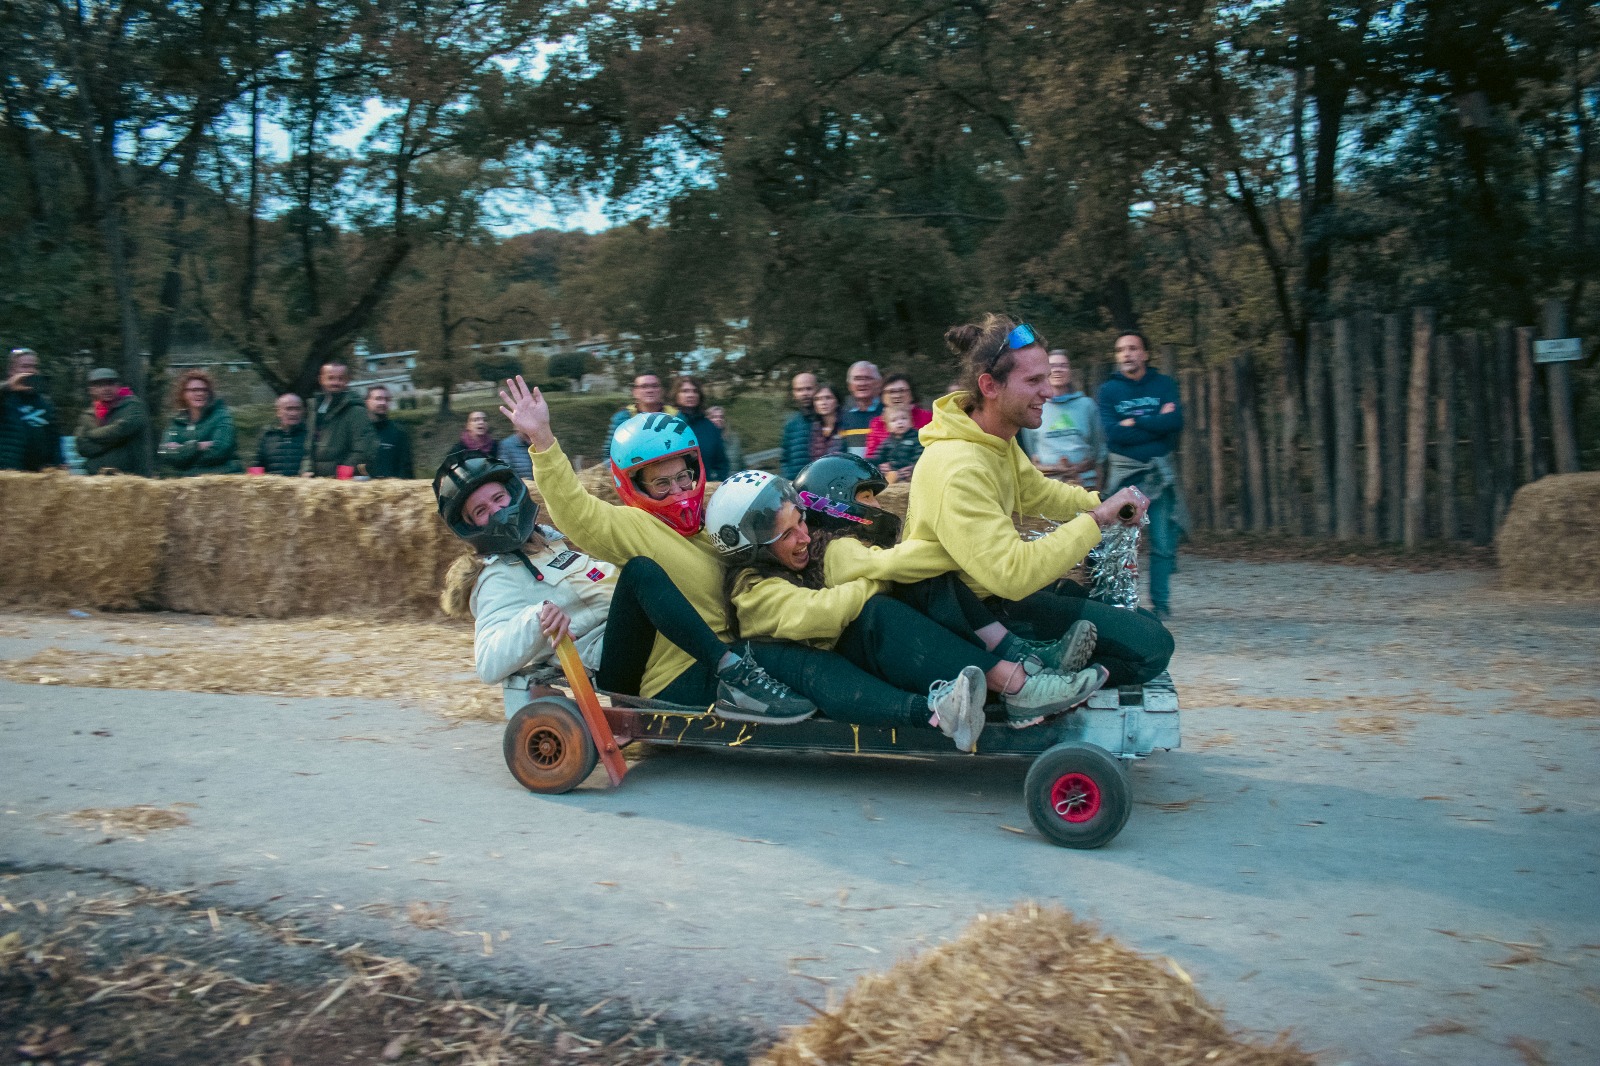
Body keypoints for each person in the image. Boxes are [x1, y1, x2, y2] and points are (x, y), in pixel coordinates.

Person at [708, 469, 1107, 741]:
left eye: (801, 521)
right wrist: (878, 577)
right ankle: (1018, 686)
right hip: (843, 667)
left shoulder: (802, 559)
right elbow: (822, 612)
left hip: (868, 652)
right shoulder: (752, 591)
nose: (802, 536)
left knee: (919, 580)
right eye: (786, 535)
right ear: (751, 550)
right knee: (876, 609)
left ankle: (1024, 658)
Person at [498, 375, 813, 718]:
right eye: (661, 484)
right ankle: (734, 675)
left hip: (712, 656)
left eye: (682, 478)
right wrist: (542, 439)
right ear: (636, 487)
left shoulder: (714, 526)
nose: (678, 492)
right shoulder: (632, 525)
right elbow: (574, 510)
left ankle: (741, 675)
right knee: (641, 572)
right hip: (646, 673)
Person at [433, 452, 812, 721]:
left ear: (514, 493)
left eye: (499, 498)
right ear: (472, 527)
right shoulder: (496, 577)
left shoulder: (551, 541)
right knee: (641, 571)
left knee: (653, 566)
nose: (498, 512)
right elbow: (487, 664)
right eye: (482, 511)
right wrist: (535, 620)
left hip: (640, 640)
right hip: (612, 665)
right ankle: (736, 676)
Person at [904, 313, 1174, 688]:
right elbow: (1013, 575)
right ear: (989, 386)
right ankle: (1041, 684)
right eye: (1033, 380)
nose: (1048, 391)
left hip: (999, 596)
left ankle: (1058, 673)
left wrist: (1107, 504)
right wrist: (1096, 520)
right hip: (980, 616)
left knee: (1146, 625)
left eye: (1047, 377)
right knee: (1153, 645)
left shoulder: (995, 437)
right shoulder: (959, 467)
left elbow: (1039, 492)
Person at [1099, 332, 1186, 619]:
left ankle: (1161, 603)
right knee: (1122, 543)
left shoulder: (1164, 384)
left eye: (1133, 348)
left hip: (1158, 475)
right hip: (1126, 478)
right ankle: (1123, 604)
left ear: (1145, 354)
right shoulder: (1109, 390)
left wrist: (1134, 421)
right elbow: (1113, 435)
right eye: (1121, 350)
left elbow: (1174, 422)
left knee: (1162, 542)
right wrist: (1155, 422)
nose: (1127, 354)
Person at [1021, 350, 1105, 490]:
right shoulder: (1033, 407)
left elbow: (1099, 451)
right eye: (1052, 366)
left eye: (1063, 365)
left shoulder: (1087, 405)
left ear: (1070, 371)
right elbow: (1032, 451)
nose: (1058, 370)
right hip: (1048, 487)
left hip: (1085, 485)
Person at [157, 369, 241, 476]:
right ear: (183, 394)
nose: (200, 393)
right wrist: (197, 446)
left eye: (204, 390)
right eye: (194, 390)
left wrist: (181, 451)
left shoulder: (222, 417)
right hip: (185, 481)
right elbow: (164, 452)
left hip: (219, 478)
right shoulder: (176, 423)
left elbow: (220, 450)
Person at [301, 361, 377, 477]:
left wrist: (343, 474)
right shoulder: (314, 408)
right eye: (330, 378)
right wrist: (307, 469)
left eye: (340, 378)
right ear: (321, 379)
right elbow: (308, 446)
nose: (335, 383)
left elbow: (364, 448)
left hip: (340, 483)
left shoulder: (356, 411)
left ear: (347, 381)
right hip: (316, 483)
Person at [75, 367, 153, 476]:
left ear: (118, 386)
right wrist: (117, 441)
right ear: (91, 390)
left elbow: (121, 429)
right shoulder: (88, 414)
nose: (106, 389)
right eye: (100, 385)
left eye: (110, 384)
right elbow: (82, 447)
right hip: (96, 479)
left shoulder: (133, 406)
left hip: (130, 478)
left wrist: (91, 434)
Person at [0, 348, 63, 472]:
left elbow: (54, 438)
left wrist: (59, 462)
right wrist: (7, 387)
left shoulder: (44, 402)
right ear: (12, 371)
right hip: (7, 473)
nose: (31, 371)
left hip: (37, 475)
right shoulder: (4, 398)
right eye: (25, 366)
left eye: (34, 367)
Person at [602, 372, 674, 459]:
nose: (650, 390)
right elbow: (609, 452)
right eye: (644, 386)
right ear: (635, 392)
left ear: (661, 390)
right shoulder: (624, 417)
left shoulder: (674, 415)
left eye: (654, 386)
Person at [671, 375, 729, 481]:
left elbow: (722, 463)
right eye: (685, 391)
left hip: (707, 489)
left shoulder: (710, 427)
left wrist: (716, 483)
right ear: (676, 395)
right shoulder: (671, 427)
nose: (690, 395)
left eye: (695, 391)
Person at [863, 373, 932, 459]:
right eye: (891, 392)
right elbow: (871, 456)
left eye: (902, 391)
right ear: (882, 397)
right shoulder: (877, 423)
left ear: (911, 395)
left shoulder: (928, 418)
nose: (897, 396)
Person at [365, 385, 414, 479]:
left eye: (386, 399)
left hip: (391, 491)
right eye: (378, 399)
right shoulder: (358, 432)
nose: (383, 403)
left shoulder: (399, 433)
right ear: (367, 402)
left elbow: (406, 470)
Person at [254, 393, 307, 476]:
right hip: (274, 487)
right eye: (289, 409)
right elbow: (257, 466)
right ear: (278, 412)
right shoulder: (268, 436)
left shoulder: (309, 435)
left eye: (297, 409)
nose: (293, 413)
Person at [838, 360, 883, 456]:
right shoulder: (840, 413)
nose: (862, 383)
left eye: (868, 378)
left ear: (878, 383)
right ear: (849, 385)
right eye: (857, 379)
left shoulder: (888, 412)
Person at [779, 371, 817, 478]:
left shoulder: (828, 420)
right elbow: (785, 459)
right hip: (797, 489)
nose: (804, 393)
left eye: (809, 388)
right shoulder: (790, 425)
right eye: (799, 390)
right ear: (794, 394)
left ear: (817, 389)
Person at [873, 408, 923, 483]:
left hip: (910, 472)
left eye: (904, 418)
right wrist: (880, 467)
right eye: (894, 420)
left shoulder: (917, 438)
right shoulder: (887, 442)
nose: (900, 422)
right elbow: (878, 458)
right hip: (893, 472)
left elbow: (921, 456)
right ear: (887, 427)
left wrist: (913, 468)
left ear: (911, 422)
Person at [808, 382, 844, 461]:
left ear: (837, 401)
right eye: (818, 399)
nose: (823, 403)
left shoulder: (846, 424)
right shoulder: (814, 428)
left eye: (828, 398)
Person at [706, 406, 743, 471]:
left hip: (734, 478)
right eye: (714, 417)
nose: (719, 419)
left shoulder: (733, 438)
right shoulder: (700, 440)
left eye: (721, 417)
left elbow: (741, 463)